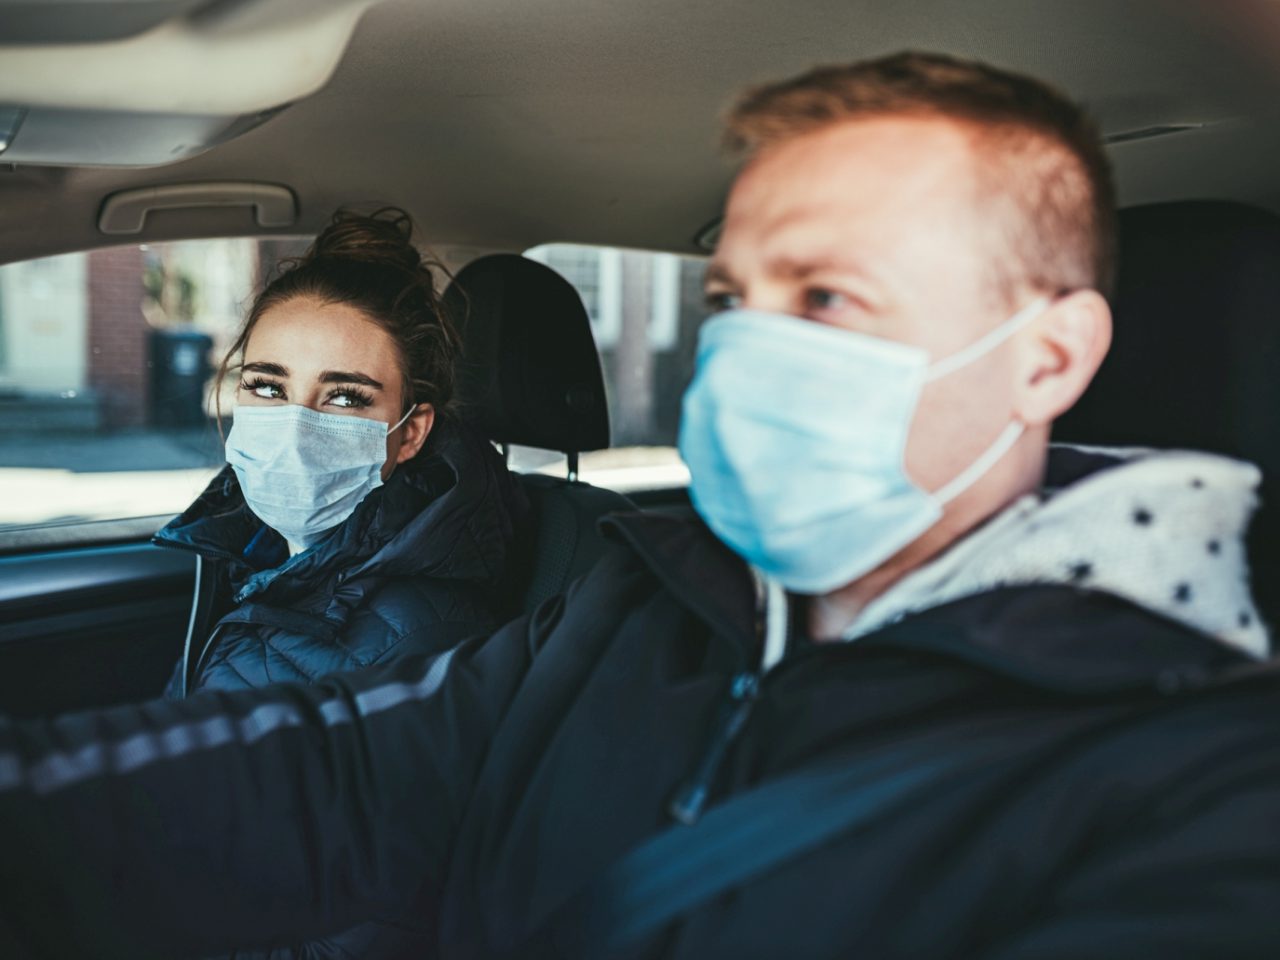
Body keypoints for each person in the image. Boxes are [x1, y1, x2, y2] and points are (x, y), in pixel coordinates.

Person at [0, 52, 1278, 960]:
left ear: (1045, 358)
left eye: (826, 298)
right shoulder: (642, 598)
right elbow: (329, 778)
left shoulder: (1207, 782)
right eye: (732, 301)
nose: (749, 352)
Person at [151, 208, 529, 958]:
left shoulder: (423, 640)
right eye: (267, 386)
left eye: (346, 396)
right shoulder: (268, 560)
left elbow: (363, 928)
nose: (293, 427)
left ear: (410, 433)